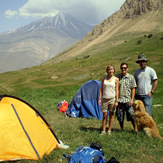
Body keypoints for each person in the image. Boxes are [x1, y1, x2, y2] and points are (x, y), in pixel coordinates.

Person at [98, 65, 119, 135]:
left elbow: (117, 90)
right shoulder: (104, 78)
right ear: (107, 71)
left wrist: (116, 100)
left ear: (114, 70)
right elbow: (101, 89)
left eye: (112, 69)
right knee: (104, 115)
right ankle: (103, 130)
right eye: (109, 69)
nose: (111, 71)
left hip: (112, 99)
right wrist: (99, 99)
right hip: (104, 99)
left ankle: (109, 130)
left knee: (111, 114)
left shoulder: (116, 79)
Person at [116, 63, 137, 131]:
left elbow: (133, 89)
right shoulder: (117, 77)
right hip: (120, 100)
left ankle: (135, 129)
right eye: (122, 68)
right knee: (120, 116)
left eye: (125, 68)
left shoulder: (131, 77)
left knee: (131, 115)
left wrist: (132, 99)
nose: (123, 69)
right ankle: (122, 129)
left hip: (128, 100)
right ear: (120, 68)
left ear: (127, 69)